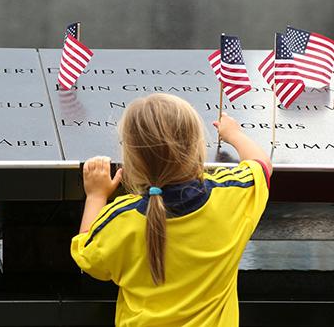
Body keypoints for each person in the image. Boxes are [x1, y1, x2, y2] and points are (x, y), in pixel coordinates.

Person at [71, 93, 271, 326]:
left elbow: (87, 255)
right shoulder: (232, 194)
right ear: (196, 147)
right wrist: (234, 134)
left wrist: (96, 196)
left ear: (132, 158)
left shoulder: (121, 220)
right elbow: (262, 165)